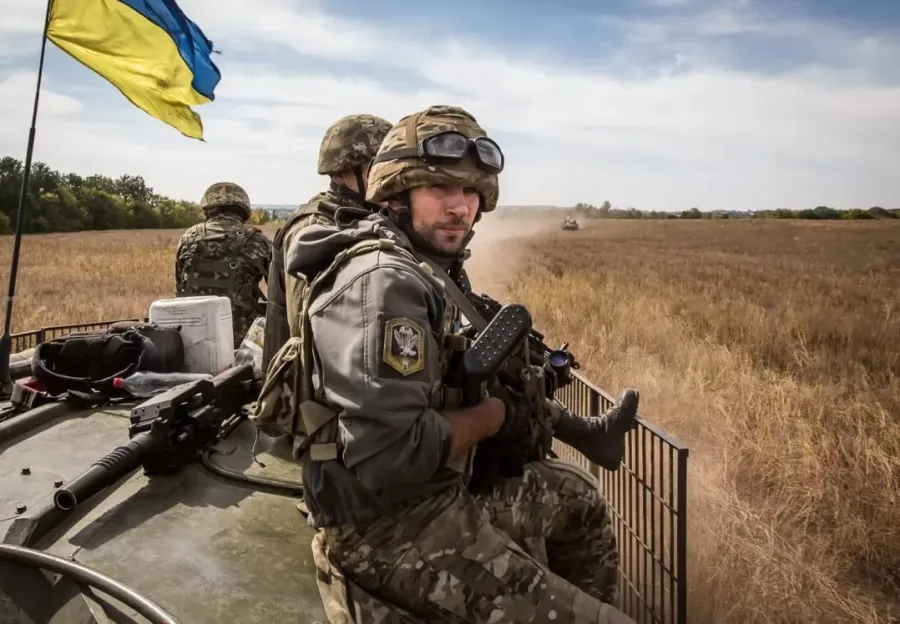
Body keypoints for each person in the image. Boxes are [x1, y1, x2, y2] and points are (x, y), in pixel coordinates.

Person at [283, 105, 637, 622]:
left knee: (578, 497)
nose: (460, 206)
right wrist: (498, 416)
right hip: (388, 529)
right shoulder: (384, 282)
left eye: (471, 191)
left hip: (436, 493)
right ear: (396, 193)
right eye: (440, 188)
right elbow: (391, 459)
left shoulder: (420, 263)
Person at [261, 113, 393, 372]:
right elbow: (308, 329)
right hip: (308, 385)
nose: (388, 178)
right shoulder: (315, 227)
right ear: (340, 173)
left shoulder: (367, 217)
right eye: (377, 168)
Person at [174, 181, 272, 347]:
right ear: (242, 209)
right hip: (242, 342)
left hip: (191, 338)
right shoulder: (257, 240)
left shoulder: (187, 238)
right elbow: (279, 295)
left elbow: (179, 290)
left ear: (208, 209)